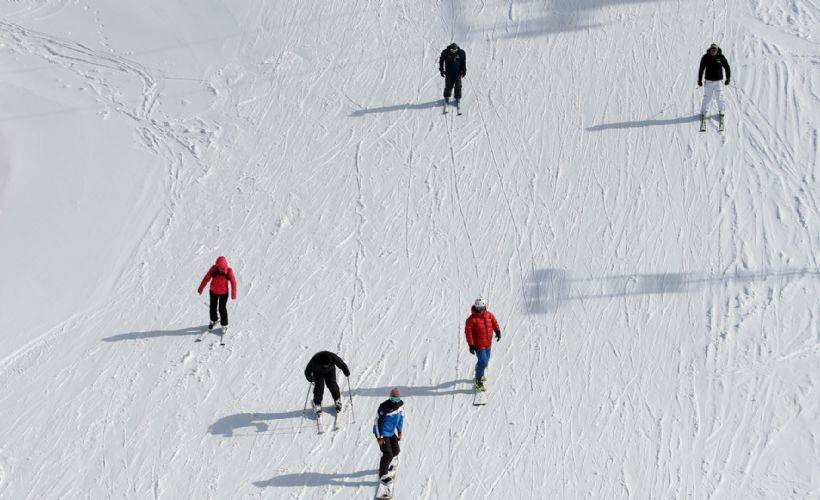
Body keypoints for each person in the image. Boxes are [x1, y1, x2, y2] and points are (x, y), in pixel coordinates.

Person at [464, 298, 501, 391]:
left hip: (488, 343)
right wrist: (471, 345)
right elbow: (468, 333)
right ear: (476, 308)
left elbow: (494, 322)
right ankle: (478, 379)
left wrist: (497, 331)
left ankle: (479, 369)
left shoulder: (489, 315)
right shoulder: (471, 320)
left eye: (483, 308)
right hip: (479, 345)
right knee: (483, 362)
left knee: (486, 360)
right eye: (480, 308)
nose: (482, 310)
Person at [373, 388, 404, 486]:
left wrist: (399, 431)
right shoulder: (384, 407)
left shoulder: (400, 406)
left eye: (396, 399)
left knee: (396, 451)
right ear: (390, 397)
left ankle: (385, 465)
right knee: (388, 454)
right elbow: (377, 423)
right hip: (381, 433)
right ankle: (383, 476)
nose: (395, 401)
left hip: (390, 432)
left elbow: (400, 419)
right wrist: (379, 437)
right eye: (392, 398)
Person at [197, 256, 237, 331]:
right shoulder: (213, 270)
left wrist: (233, 294)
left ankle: (224, 325)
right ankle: (214, 320)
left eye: (222, 268)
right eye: (219, 267)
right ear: (217, 266)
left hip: (224, 293)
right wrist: (201, 288)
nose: (220, 270)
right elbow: (206, 278)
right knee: (212, 307)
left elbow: (233, 283)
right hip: (213, 291)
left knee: (222, 308)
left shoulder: (229, 271)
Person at [698, 43, 731, 127]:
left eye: (715, 50)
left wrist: (728, 78)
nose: (713, 51)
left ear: (717, 50)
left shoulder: (721, 57)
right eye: (712, 50)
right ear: (710, 49)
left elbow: (727, 67)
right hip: (708, 81)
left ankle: (721, 112)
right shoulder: (705, 57)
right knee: (707, 97)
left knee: (719, 97)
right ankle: (703, 112)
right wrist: (699, 80)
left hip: (718, 82)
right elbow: (701, 69)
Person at [439, 42, 466, 107]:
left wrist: (464, 70)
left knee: (458, 86)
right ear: (450, 49)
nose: (454, 52)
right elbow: (441, 60)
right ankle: (447, 98)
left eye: (455, 50)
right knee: (448, 86)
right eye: (452, 50)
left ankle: (457, 98)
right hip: (449, 73)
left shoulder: (461, 53)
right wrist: (442, 70)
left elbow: (463, 62)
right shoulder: (446, 52)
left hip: (457, 73)